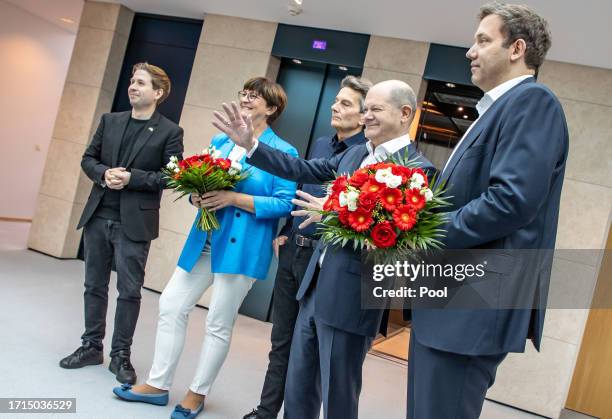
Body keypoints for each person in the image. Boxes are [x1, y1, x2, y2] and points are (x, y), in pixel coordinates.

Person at [214, 79, 435, 419]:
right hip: (315, 286)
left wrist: (335, 212)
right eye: (367, 109)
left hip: (354, 297)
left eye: (376, 109)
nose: (367, 116)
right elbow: (303, 169)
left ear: (405, 113)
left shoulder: (419, 171)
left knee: (338, 396)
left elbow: (395, 239)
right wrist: (252, 146)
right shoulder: (356, 153)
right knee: (299, 385)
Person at [406, 3, 569, 418]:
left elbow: (509, 202)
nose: (469, 51)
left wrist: (424, 234)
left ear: (516, 48)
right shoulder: (494, 111)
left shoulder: (533, 102)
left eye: (482, 40)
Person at [113, 77, 297, 419]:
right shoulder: (220, 140)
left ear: (271, 109)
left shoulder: (284, 152)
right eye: (243, 93)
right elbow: (202, 178)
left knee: (218, 322)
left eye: (254, 97)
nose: (245, 99)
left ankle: (197, 393)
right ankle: (158, 384)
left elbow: (285, 203)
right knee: (170, 304)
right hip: (205, 240)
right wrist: (199, 194)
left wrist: (234, 198)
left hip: (243, 247)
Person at [243, 76, 371, 419]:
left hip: (326, 261)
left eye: (346, 103)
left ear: (364, 116)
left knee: (312, 350)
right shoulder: (321, 145)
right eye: (336, 100)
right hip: (295, 251)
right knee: (283, 338)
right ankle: (268, 409)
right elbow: (300, 182)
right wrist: (285, 233)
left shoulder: (364, 155)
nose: (335, 106)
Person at [60, 63, 184, 384]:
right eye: (132, 81)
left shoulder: (171, 132)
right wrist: (103, 173)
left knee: (129, 291)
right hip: (99, 215)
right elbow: (89, 158)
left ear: (158, 93)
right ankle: (91, 346)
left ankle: (120, 355)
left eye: (141, 83)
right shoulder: (110, 120)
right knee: (94, 285)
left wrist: (131, 178)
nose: (133, 86)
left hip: (134, 224)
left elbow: (172, 176)